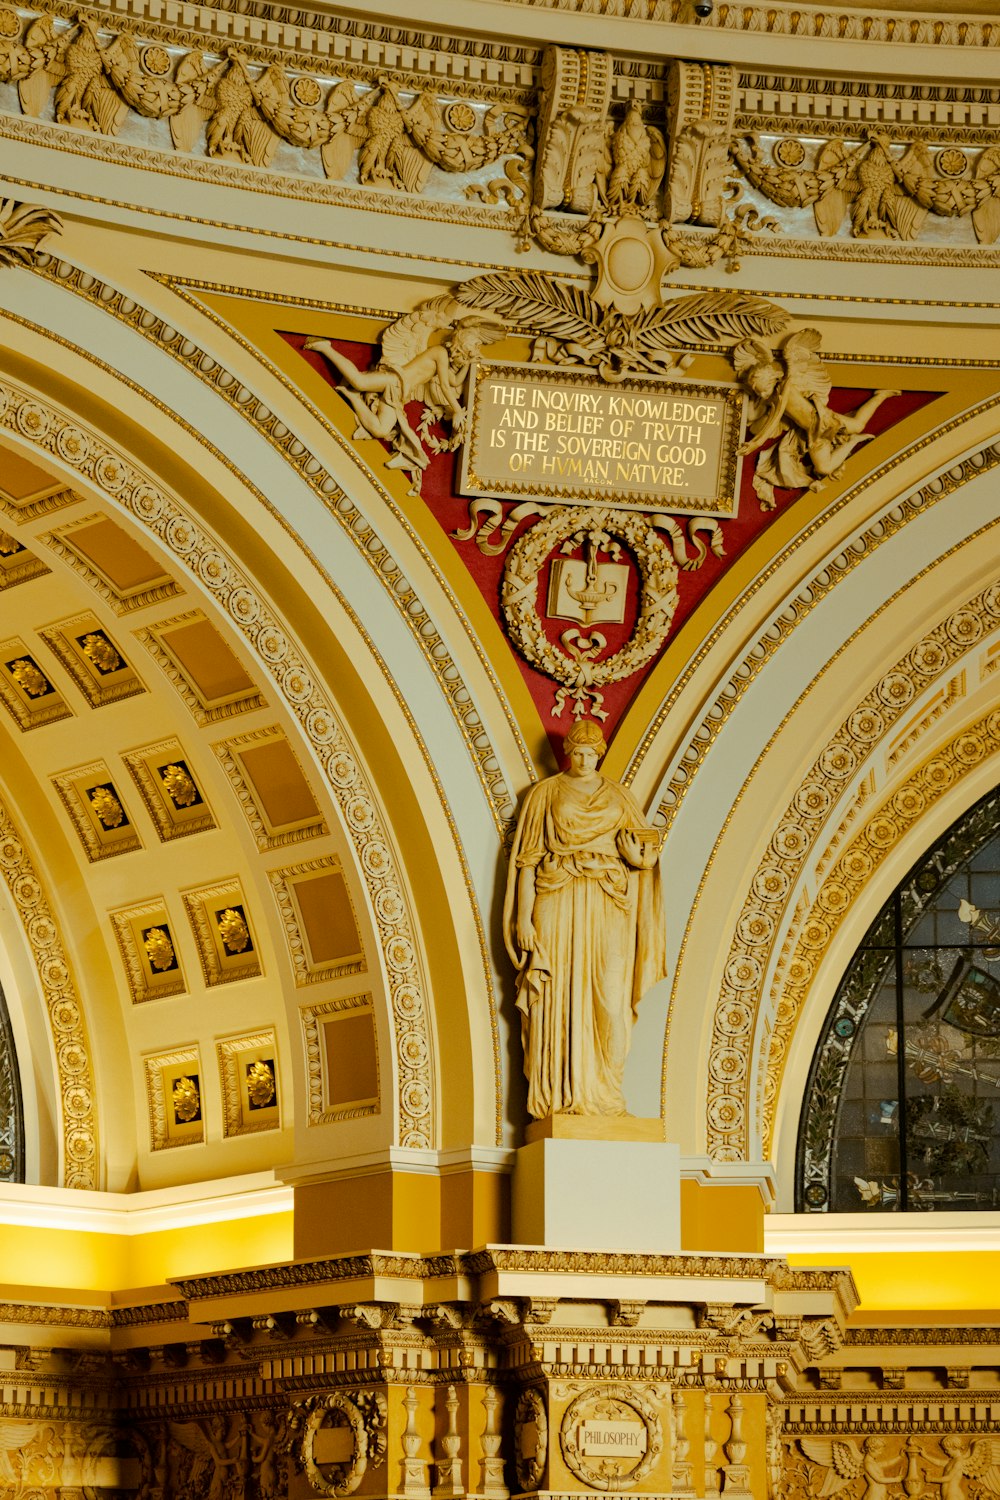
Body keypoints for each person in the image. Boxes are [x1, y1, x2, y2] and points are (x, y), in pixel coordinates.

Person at [503, 719, 667, 1118]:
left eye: (590, 754)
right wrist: (523, 919)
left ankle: (605, 1094)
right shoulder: (545, 794)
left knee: (610, 996)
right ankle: (559, 1094)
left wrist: (637, 859)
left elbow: (646, 854)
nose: (582, 760)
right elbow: (528, 861)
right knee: (556, 993)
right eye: (575, 752)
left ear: (600, 755)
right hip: (556, 897)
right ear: (566, 754)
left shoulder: (620, 797)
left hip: (608, 901)